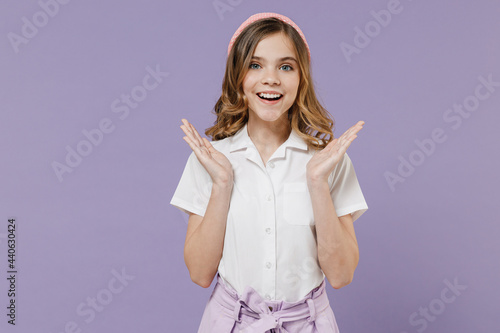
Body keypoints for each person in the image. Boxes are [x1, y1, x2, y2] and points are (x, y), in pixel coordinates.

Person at [170, 12, 368, 333]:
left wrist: (317, 183)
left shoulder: (327, 162)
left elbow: (342, 275)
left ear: (301, 78)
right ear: (238, 78)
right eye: (255, 65)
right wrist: (222, 184)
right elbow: (200, 273)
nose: (271, 78)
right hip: (230, 323)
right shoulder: (210, 159)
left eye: (286, 67)